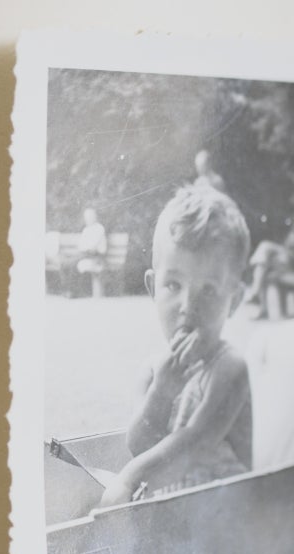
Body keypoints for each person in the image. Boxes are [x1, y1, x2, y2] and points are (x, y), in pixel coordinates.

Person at [99, 184, 253, 507]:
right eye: (173, 285)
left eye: (208, 291)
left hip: (227, 524)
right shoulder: (153, 371)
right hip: (174, 520)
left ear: (234, 300)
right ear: (153, 288)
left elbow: (197, 442)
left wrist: (128, 479)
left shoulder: (230, 368)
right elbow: (139, 444)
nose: (188, 305)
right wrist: (163, 391)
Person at [75, 208, 108, 297]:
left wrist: (86, 248)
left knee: (76, 263)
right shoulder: (86, 229)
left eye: (90, 217)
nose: (88, 219)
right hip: (87, 255)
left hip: (97, 257)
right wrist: (85, 248)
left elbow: (93, 246)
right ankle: (72, 292)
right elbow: (81, 245)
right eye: (86, 217)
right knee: (69, 263)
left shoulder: (99, 228)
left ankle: (75, 293)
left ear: (95, 217)